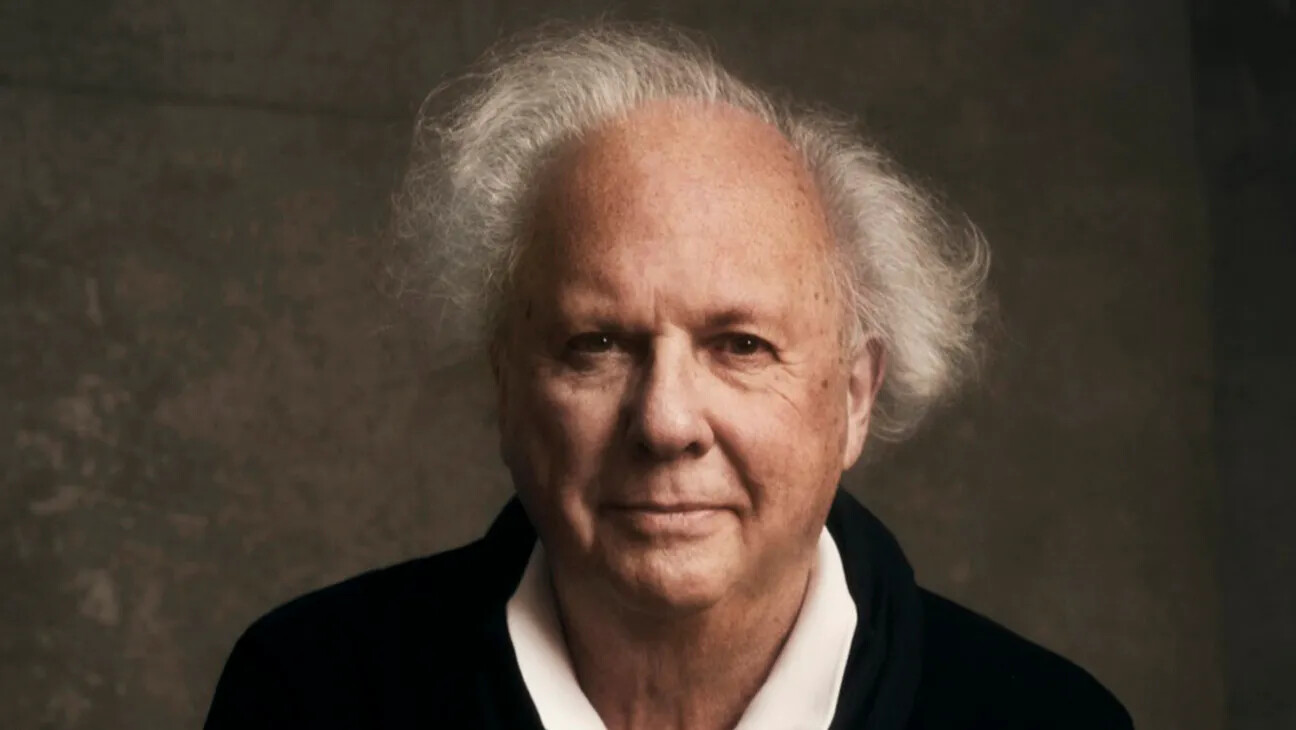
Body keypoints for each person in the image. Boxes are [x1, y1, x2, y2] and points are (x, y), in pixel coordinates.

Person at [204, 22, 1133, 730]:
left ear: (855, 397)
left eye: (741, 346)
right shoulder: (307, 695)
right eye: (597, 344)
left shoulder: (1049, 722)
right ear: (508, 385)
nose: (665, 422)